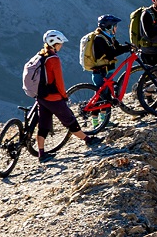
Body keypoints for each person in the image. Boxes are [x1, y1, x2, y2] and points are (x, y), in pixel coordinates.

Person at [34, 29, 97, 160]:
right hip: (53, 97)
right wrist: (64, 96)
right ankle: (88, 140)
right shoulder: (54, 59)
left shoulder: (41, 55)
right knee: (70, 120)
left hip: (41, 96)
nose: (61, 45)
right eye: (60, 43)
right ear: (54, 43)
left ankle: (41, 153)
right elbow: (59, 81)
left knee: (43, 124)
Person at [79, 14, 130, 127]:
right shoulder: (99, 39)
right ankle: (97, 123)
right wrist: (126, 49)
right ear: (109, 26)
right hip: (101, 72)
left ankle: (103, 121)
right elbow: (111, 53)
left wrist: (128, 47)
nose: (116, 28)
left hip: (107, 71)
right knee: (101, 97)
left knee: (105, 95)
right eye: (115, 26)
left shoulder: (109, 37)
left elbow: (117, 48)